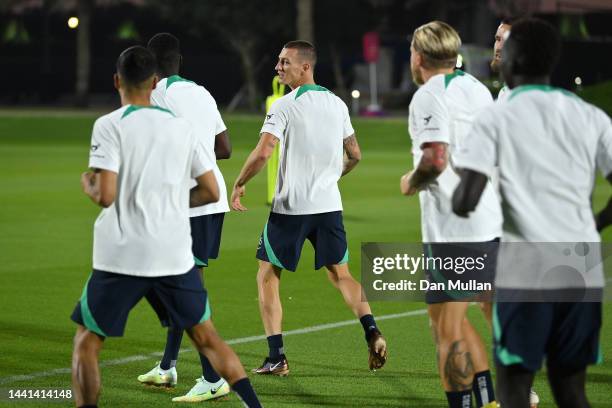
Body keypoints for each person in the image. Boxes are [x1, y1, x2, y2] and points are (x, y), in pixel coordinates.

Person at [70, 45, 261, 408]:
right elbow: (210, 190)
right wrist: (171, 199)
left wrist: (89, 185)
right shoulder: (180, 127)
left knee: (87, 342)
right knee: (209, 339)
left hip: (121, 255)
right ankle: (251, 404)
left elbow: (107, 195)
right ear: (154, 81)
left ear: (116, 81)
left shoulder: (109, 124)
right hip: (172, 254)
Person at [452, 18, 610, 408]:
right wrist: (595, 223)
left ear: (516, 58)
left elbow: (465, 200)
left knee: (514, 389)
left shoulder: (497, 115)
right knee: (572, 390)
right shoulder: (589, 115)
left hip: (526, 267)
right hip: (580, 264)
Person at [230, 40, 387, 376]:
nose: (278, 67)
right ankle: (372, 330)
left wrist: (240, 182)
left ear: (305, 67)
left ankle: (277, 357)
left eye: (285, 62)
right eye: (278, 61)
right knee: (341, 275)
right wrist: (332, 176)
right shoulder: (337, 103)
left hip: (291, 210)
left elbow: (263, 152)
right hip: (328, 207)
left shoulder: (285, 105)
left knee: (267, 275)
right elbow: (355, 153)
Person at [400, 21, 501, 408]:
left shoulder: (428, 94)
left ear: (419, 56)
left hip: (454, 231)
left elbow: (436, 158)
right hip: (485, 222)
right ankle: (488, 399)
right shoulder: (475, 88)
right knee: (450, 321)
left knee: (446, 332)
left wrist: (410, 181)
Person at [135, 32, 233, 403]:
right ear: (179, 63)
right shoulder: (202, 92)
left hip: (185, 202)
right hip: (211, 200)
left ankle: (212, 378)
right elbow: (223, 148)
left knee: (180, 288)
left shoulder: (156, 94)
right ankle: (167, 366)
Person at [491, 17, 514, 102]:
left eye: (506, 40)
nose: (499, 47)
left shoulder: (526, 96)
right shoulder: (504, 92)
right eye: (498, 39)